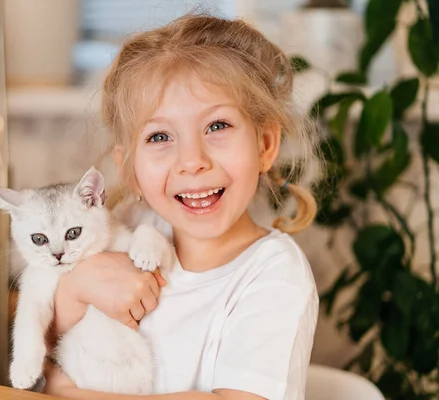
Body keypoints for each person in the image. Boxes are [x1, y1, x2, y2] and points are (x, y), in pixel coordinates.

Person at [44, 12, 321, 400]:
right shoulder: (124, 228)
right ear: (132, 170)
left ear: (265, 145)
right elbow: (43, 355)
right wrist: (73, 289)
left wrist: (69, 392)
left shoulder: (274, 274)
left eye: (217, 126)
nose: (192, 160)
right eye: (160, 136)